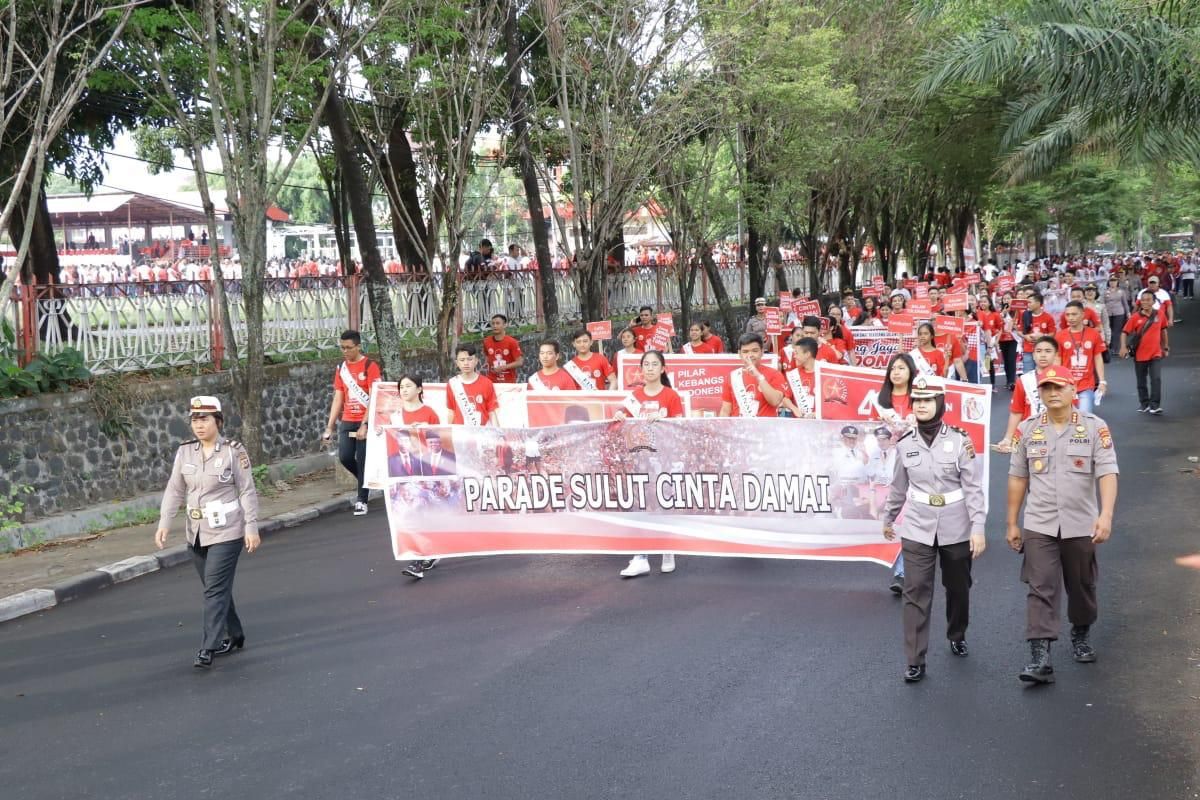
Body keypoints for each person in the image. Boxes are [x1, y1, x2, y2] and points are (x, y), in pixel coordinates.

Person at [1006, 365, 1118, 684]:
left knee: (1082, 585)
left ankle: (1080, 633)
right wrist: (1012, 522)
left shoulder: (1095, 427)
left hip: (1081, 522)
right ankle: (1040, 656)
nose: (1052, 393)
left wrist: (1106, 514)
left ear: (1072, 390)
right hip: (1039, 523)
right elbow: (1017, 478)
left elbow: (1107, 472)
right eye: (1046, 388)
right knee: (1040, 586)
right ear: (1039, 394)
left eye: (1058, 387)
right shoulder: (1027, 429)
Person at [883, 375, 986, 683]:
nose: (923, 405)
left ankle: (957, 633)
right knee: (915, 591)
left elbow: (974, 489)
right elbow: (898, 487)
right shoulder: (904, 445)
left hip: (956, 526)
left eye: (928, 400)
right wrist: (888, 518)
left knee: (958, 588)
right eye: (918, 401)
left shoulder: (960, 440)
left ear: (940, 403)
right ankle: (915, 659)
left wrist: (978, 527)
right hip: (917, 526)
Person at [155, 396, 261, 669]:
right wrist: (164, 522)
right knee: (216, 587)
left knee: (214, 589)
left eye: (205, 419)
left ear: (218, 421)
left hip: (227, 531)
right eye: (194, 420)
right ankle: (235, 634)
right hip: (196, 532)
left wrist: (251, 526)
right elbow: (175, 489)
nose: (199, 425)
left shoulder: (233, 451)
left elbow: (247, 490)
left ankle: (208, 646)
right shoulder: (185, 452)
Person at [614, 350, 685, 577]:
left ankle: (667, 549)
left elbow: (682, 427)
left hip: (663, 459)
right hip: (640, 459)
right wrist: (619, 416)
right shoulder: (634, 396)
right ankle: (640, 556)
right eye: (646, 364)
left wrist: (666, 420)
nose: (651, 368)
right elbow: (620, 419)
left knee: (663, 503)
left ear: (663, 369)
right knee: (640, 505)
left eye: (655, 364)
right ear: (641, 369)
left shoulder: (671, 396)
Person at [322, 330, 382, 516]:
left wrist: (365, 424)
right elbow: (338, 397)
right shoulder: (342, 368)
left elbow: (374, 397)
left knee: (363, 459)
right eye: (342, 348)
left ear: (358, 346)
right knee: (346, 457)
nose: (345, 351)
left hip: (365, 422)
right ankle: (366, 481)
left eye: (349, 348)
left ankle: (361, 500)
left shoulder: (370, 366)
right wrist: (330, 426)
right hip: (348, 421)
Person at [994, 336, 1061, 452]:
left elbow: (1072, 410)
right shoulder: (1024, 380)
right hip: (1030, 437)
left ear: (1056, 355)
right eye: (1038, 351)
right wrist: (1008, 438)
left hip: (1058, 437)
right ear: (1033, 355)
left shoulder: (1064, 379)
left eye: (1048, 351)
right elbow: (1016, 412)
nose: (1043, 355)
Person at [1121, 289, 1169, 414]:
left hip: (1156, 354)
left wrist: (1166, 347)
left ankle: (1155, 405)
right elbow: (1124, 332)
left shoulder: (1160, 314)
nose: (1145, 302)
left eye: (1148, 300)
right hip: (1140, 355)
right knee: (1141, 381)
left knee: (1156, 379)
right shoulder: (1135, 317)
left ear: (1154, 302)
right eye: (1142, 300)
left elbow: (1163, 331)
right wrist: (1123, 347)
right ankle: (1144, 404)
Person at [719, 333, 787, 417]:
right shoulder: (732, 376)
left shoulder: (775, 374)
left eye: (755, 351)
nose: (750, 355)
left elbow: (775, 401)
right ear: (740, 354)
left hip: (766, 428)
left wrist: (758, 376)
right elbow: (725, 410)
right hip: (740, 428)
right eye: (745, 352)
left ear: (762, 352)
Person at [1055, 301, 1107, 413]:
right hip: (1066, 384)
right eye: (1067, 315)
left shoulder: (1094, 334)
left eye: (1074, 314)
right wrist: (1056, 380)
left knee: (1084, 417)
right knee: (1066, 419)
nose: (1070, 318)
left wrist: (1102, 381)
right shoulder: (1060, 336)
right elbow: (1057, 359)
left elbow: (1098, 358)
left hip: (1086, 384)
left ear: (1083, 314)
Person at [446, 344, 499, 425]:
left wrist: (498, 434)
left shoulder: (487, 383)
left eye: (470, 359)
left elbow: (492, 412)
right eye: (462, 360)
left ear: (476, 361)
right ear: (457, 363)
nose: (466, 363)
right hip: (460, 433)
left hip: (482, 433)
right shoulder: (452, 383)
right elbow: (451, 411)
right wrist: (448, 434)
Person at [780, 337, 818, 418]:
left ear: (807, 354)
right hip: (798, 424)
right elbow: (785, 399)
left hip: (820, 425)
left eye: (796, 353)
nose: (794, 356)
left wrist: (817, 414)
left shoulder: (823, 374)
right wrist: (794, 409)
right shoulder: (793, 374)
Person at [1019, 292, 1057, 373]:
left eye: (1030, 302)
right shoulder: (1025, 315)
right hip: (1028, 350)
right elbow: (1019, 331)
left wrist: (1043, 336)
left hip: (1043, 351)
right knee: (1028, 374)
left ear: (1038, 303)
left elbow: (1052, 333)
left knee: (1044, 373)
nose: (1028, 304)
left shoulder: (1048, 317)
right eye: (1027, 302)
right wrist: (1025, 337)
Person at [483, 314, 524, 384]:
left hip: (508, 381)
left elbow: (520, 362)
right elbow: (487, 356)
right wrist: (487, 364)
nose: (495, 326)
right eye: (493, 323)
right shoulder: (486, 341)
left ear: (505, 325)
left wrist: (503, 367)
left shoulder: (512, 342)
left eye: (498, 323)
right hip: (491, 380)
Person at [1104, 275, 1131, 342]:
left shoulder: (1121, 291)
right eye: (1111, 281)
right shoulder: (1104, 291)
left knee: (1117, 331)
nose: (1113, 282)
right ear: (1109, 282)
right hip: (1108, 313)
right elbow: (1102, 303)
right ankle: (1109, 344)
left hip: (1119, 313)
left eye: (1114, 281)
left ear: (1117, 282)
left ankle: (1114, 348)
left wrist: (1128, 313)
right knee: (1108, 329)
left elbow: (1125, 303)